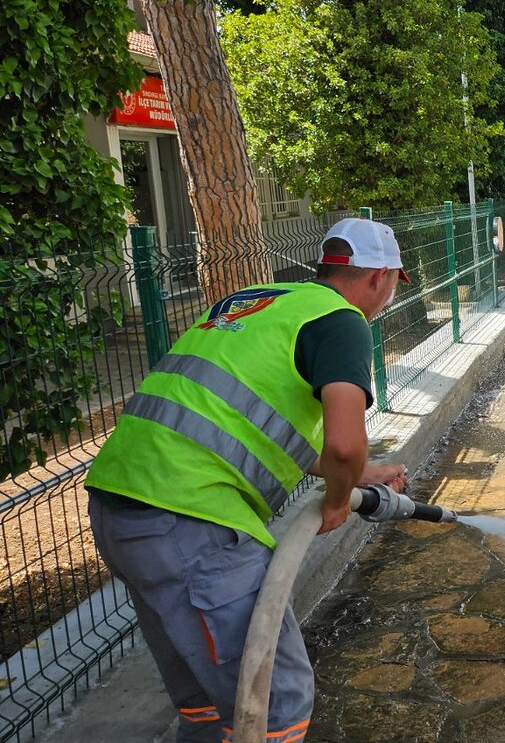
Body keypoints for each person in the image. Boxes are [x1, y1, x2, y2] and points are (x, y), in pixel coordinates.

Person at [85, 218, 412, 743]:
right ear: (379, 278)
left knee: (209, 707)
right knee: (274, 707)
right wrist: (336, 500)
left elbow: (239, 418)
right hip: (191, 521)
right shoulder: (341, 320)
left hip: (120, 509)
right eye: (395, 281)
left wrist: (356, 476)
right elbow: (347, 442)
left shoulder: (260, 300)